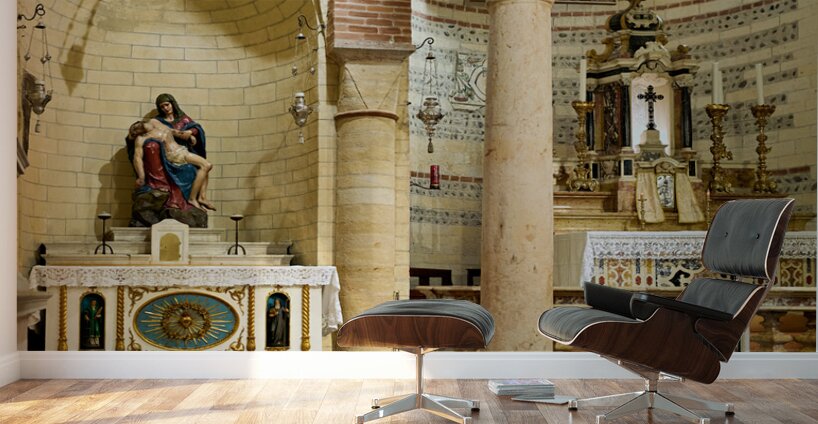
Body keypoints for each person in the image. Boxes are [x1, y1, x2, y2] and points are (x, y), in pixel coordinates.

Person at [129, 119, 215, 211]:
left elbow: (173, 131)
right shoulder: (141, 138)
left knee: (204, 167)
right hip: (174, 155)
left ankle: (202, 197)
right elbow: (137, 157)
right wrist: (141, 177)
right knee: (206, 165)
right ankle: (192, 198)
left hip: (182, 150)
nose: (137, 131)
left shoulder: (154, 122)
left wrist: (189, 136)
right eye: (136, 130)